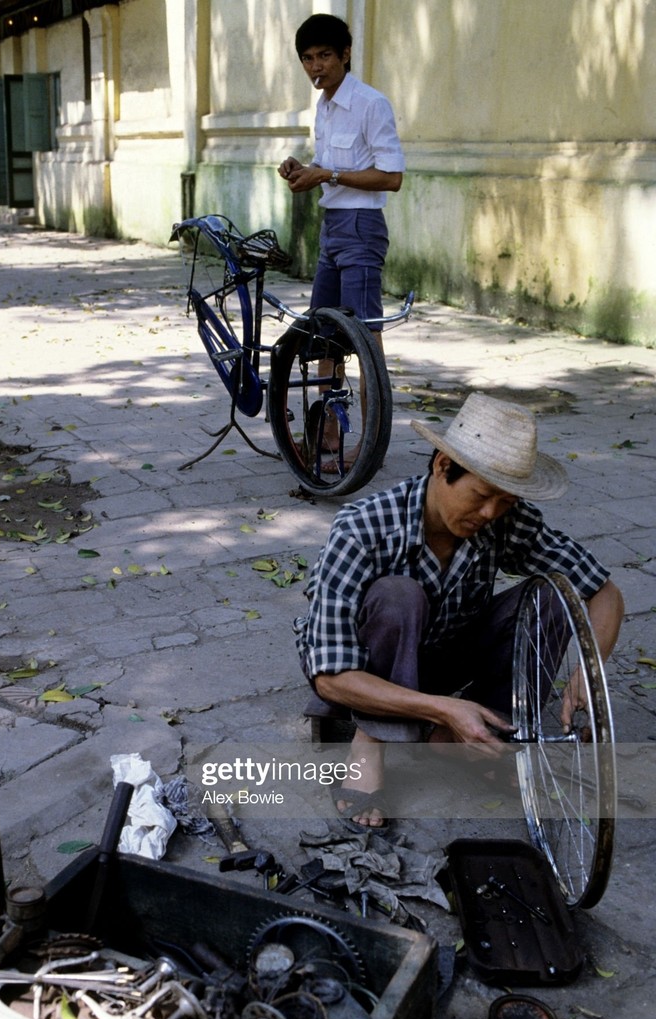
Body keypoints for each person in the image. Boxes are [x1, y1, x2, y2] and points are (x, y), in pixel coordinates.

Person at [294, 393, 625, 827]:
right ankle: (372, 743)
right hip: (370, 665)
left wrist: (589, 669)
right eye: (482, 495)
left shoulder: (505, 517)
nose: (489, 513)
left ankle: (486, 736)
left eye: (504, 501)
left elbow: (604, 592)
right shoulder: (362, 527)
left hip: (450, 648)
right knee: (398, 596)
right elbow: (330, 677)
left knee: (551, 597)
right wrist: (443, 708)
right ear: (442, 467)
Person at [278, 14, 405, 334]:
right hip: (331, 226)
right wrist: (302, 169)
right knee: (321, 327)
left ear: (345, 55)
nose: (315, 66)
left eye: (324, 55)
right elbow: (323, 164)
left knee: (363, 329)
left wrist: (324, 175)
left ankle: (374, 387)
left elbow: (392, 178)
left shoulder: (371, 104)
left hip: (362, 225)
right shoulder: (323, 106)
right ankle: (328, 387)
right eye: (307, 58)